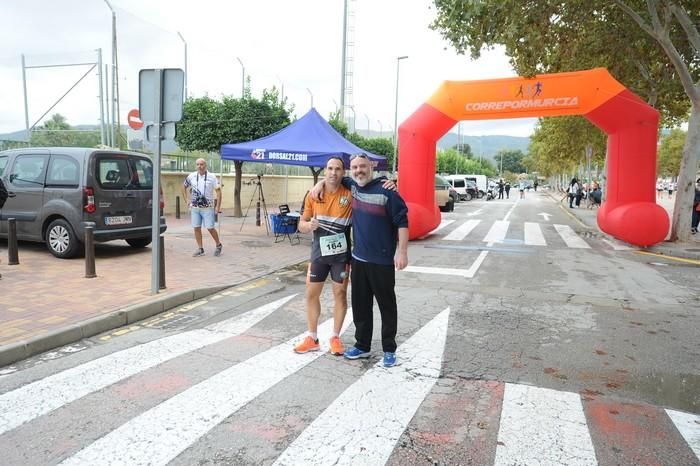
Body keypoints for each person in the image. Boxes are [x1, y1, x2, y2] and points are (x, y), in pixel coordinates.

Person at [310, 153, 408, 368]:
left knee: (386, 307)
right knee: (361, 306)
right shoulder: (352, 185)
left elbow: (402, 221)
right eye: (354, 167)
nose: (358, 171)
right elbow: (333, 177)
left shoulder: (387, 190)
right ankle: (362, 346)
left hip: (382, 261)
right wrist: (318, 184)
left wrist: (402, 252)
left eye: (362, 166)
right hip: (358, 260)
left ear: (370, 166)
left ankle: (389, 349)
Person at [293, 157, 352, 356]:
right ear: (325, 170)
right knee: (311, 293)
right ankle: (312, 337)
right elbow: (300, 224)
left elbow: (368, 181)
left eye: (337, 169)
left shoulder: (350, 193)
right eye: (330, 168)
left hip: (340, 256)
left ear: (343, 172)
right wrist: (308, 226)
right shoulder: (313, 194)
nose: (333, 172)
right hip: (318, 254)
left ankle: (335, 337)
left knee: (340, 294)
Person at [182, 158, 223, 257]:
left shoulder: (212, 177)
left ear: (205, 165)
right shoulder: (191, 176)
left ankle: (218, 244)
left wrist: (218, 207)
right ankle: (200, 249)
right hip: (195, 208)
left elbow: (218, 192)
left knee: (210, 228)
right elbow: (183, 186)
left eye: (201, 164)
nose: (199, 166)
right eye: (197, 164)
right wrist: (187, 200)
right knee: (196, 228)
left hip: (208, 207)